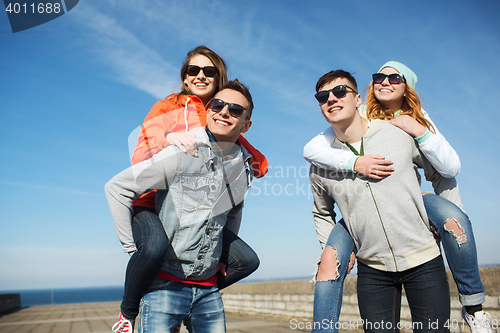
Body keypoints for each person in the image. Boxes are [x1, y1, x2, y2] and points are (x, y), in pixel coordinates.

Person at [304, 62, 492, 333]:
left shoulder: (398, 131)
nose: (331, 99)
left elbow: (443, 171)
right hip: (372, 270)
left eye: (340, 91)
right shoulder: (320, 162)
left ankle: (474, 307)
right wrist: (331, 247)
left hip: (423, 261)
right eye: (323, 97)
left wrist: (449, 216)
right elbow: (322, 212)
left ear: (358, 99)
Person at [111, 46, 268, 333]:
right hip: (149, 199)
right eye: (192, 70)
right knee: (155, 248)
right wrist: (171, 137)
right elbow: (147, 136)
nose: (199, 75)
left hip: (197, 209)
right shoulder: (168, 107)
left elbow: (251, 158)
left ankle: (198, 284)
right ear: (184, 77)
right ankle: (128, 311)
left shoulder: (219, 114)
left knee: (246, 260)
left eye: (208, 71)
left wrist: (248, 167)